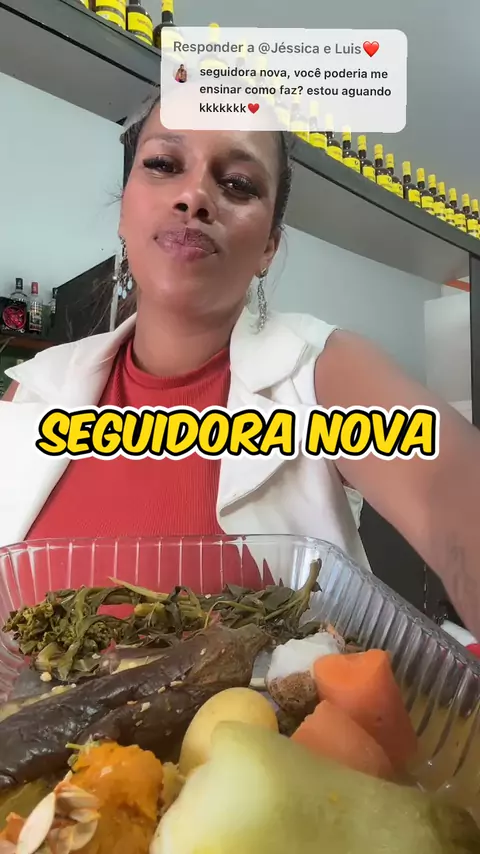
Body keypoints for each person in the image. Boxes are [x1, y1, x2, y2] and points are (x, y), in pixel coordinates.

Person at [1, 91, 480, 638]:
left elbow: (459, 505)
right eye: (164, 164)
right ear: (123, 211)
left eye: (238, 184)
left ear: (268, 248)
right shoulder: (32, 394)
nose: (194, 196)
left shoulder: (324, 373)